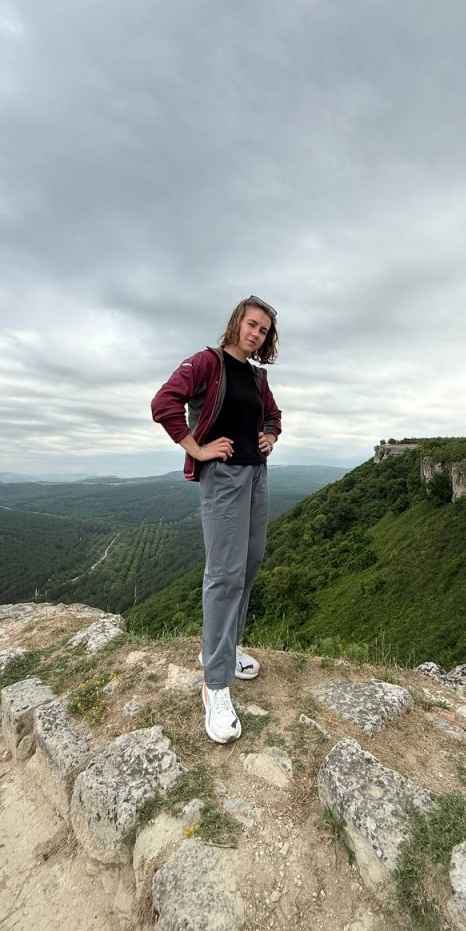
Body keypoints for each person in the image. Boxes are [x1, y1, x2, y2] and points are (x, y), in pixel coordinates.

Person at [151, 295, 282, 743]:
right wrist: (198, 448)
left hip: (256, 476)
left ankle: (221, 650)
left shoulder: (257, 376)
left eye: (263, 330)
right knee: (224, 574)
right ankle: (216, 684)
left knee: (247, 565)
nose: (256, 334)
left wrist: (270, 436)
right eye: (252, 324)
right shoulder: (207, 363)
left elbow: (273, 415)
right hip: (223, 477)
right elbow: (164, 403)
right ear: (236, 322)